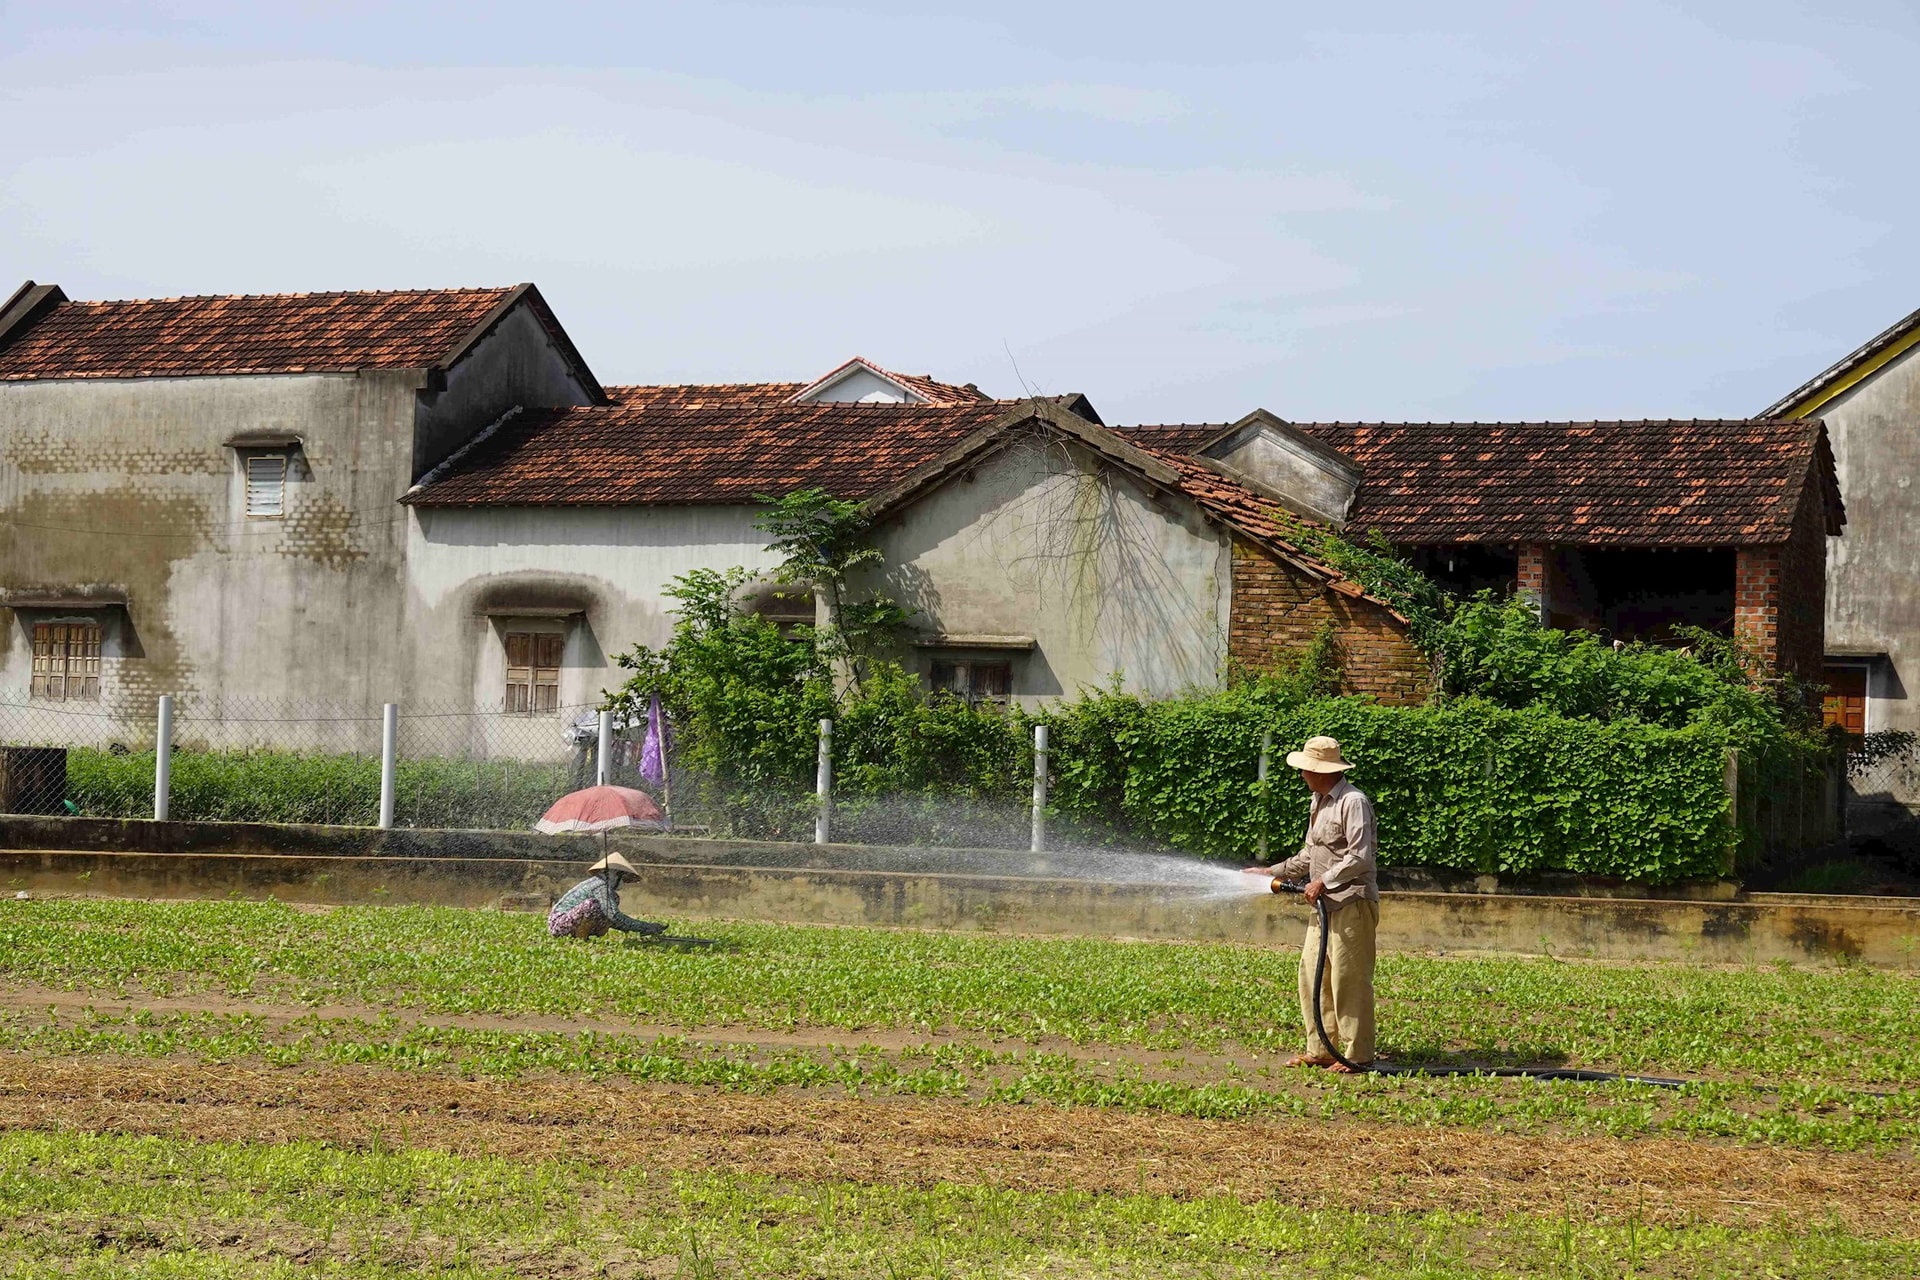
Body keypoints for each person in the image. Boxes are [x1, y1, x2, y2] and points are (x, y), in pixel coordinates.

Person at [1244, 735, 1379, 1072]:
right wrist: (1270, 872)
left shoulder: (1353, 802)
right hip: (1323, 906)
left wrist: (1324, 880)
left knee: (1348, 978)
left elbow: (1360, 857)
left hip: (1351, 902)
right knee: (1311, 975)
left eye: (1305, 769)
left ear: (1322, 771)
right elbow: (1309, 854)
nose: (1302, 774)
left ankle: (1357, 1054)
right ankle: (1320, 1048)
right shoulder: (1318, 802)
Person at [547, 851, 668, 939]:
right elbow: (614, 916)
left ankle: (585, 936)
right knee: (592, 906)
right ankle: (580, 939)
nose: (623, 882)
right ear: (615, 875)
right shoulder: (600, 886)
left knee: (612, 901)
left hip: (569, 921)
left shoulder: (606, 889)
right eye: (622, 877)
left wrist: (640, 928)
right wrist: (645, 927)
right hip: (559, 925)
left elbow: (611, 918)